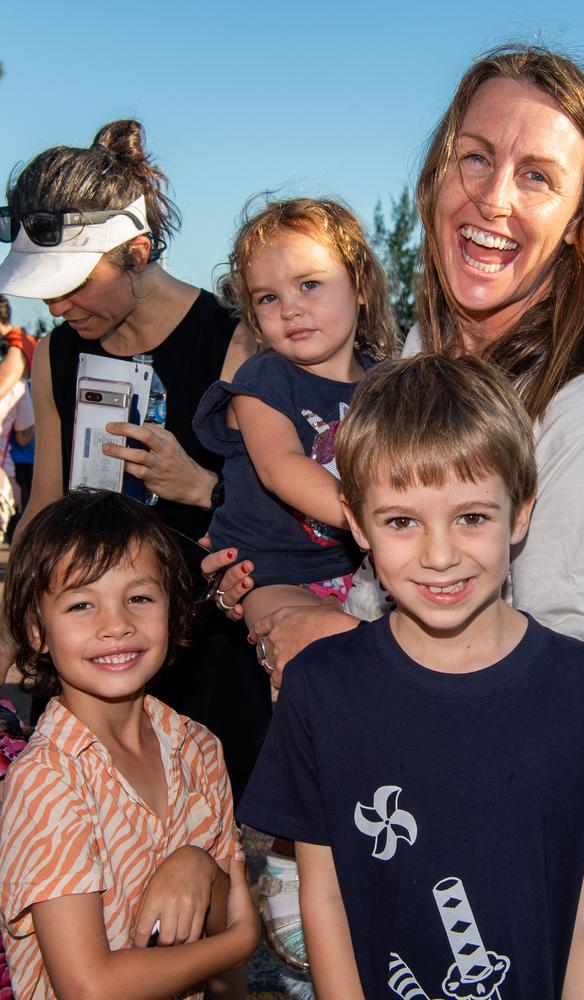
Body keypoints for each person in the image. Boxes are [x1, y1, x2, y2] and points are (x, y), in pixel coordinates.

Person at [209, 43, 584, 948]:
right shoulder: (417, 352)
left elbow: (564, 695)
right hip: (374, 814)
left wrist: (337, 645)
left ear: (577, 221)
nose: (493, 198)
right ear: (436, 172)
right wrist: (268, 599)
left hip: (472, 872)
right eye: (476, 157)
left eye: (537, 176)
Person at [237, 353, 584, 999]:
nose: (439, 555)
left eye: (472, 517)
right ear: (355, 521)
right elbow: (325, 895)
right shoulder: (321, 690)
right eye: (402, 520)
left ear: (520, 514)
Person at [0, 119, 271, 801]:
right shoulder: (58, 356)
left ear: (137, 251)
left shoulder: (234, 347)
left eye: (73, 282)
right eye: (44, 288)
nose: (57, 306)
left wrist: (201, 485)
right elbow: (45, 508)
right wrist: (10, 635)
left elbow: (290, 526)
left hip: (215, 656)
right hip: (96, 662)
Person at [0, 490, 259, 1000]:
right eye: (80, 604)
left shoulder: (199, 749)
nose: (116, 625)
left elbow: (226, 975)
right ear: (37, 632)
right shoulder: (48, 780)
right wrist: (241, 942)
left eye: (139, 598)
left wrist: (201, 867)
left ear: (175, 609)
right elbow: (88, 987)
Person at [193, 197, 397, 631]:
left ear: (359, 285)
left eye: (309, 284)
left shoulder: (389, 384)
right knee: (310, 641)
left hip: (368, 562)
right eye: (268, 297)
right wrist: (375, 519)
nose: (289, 308)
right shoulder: (260, 380)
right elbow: (281, 466)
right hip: (272, 570)